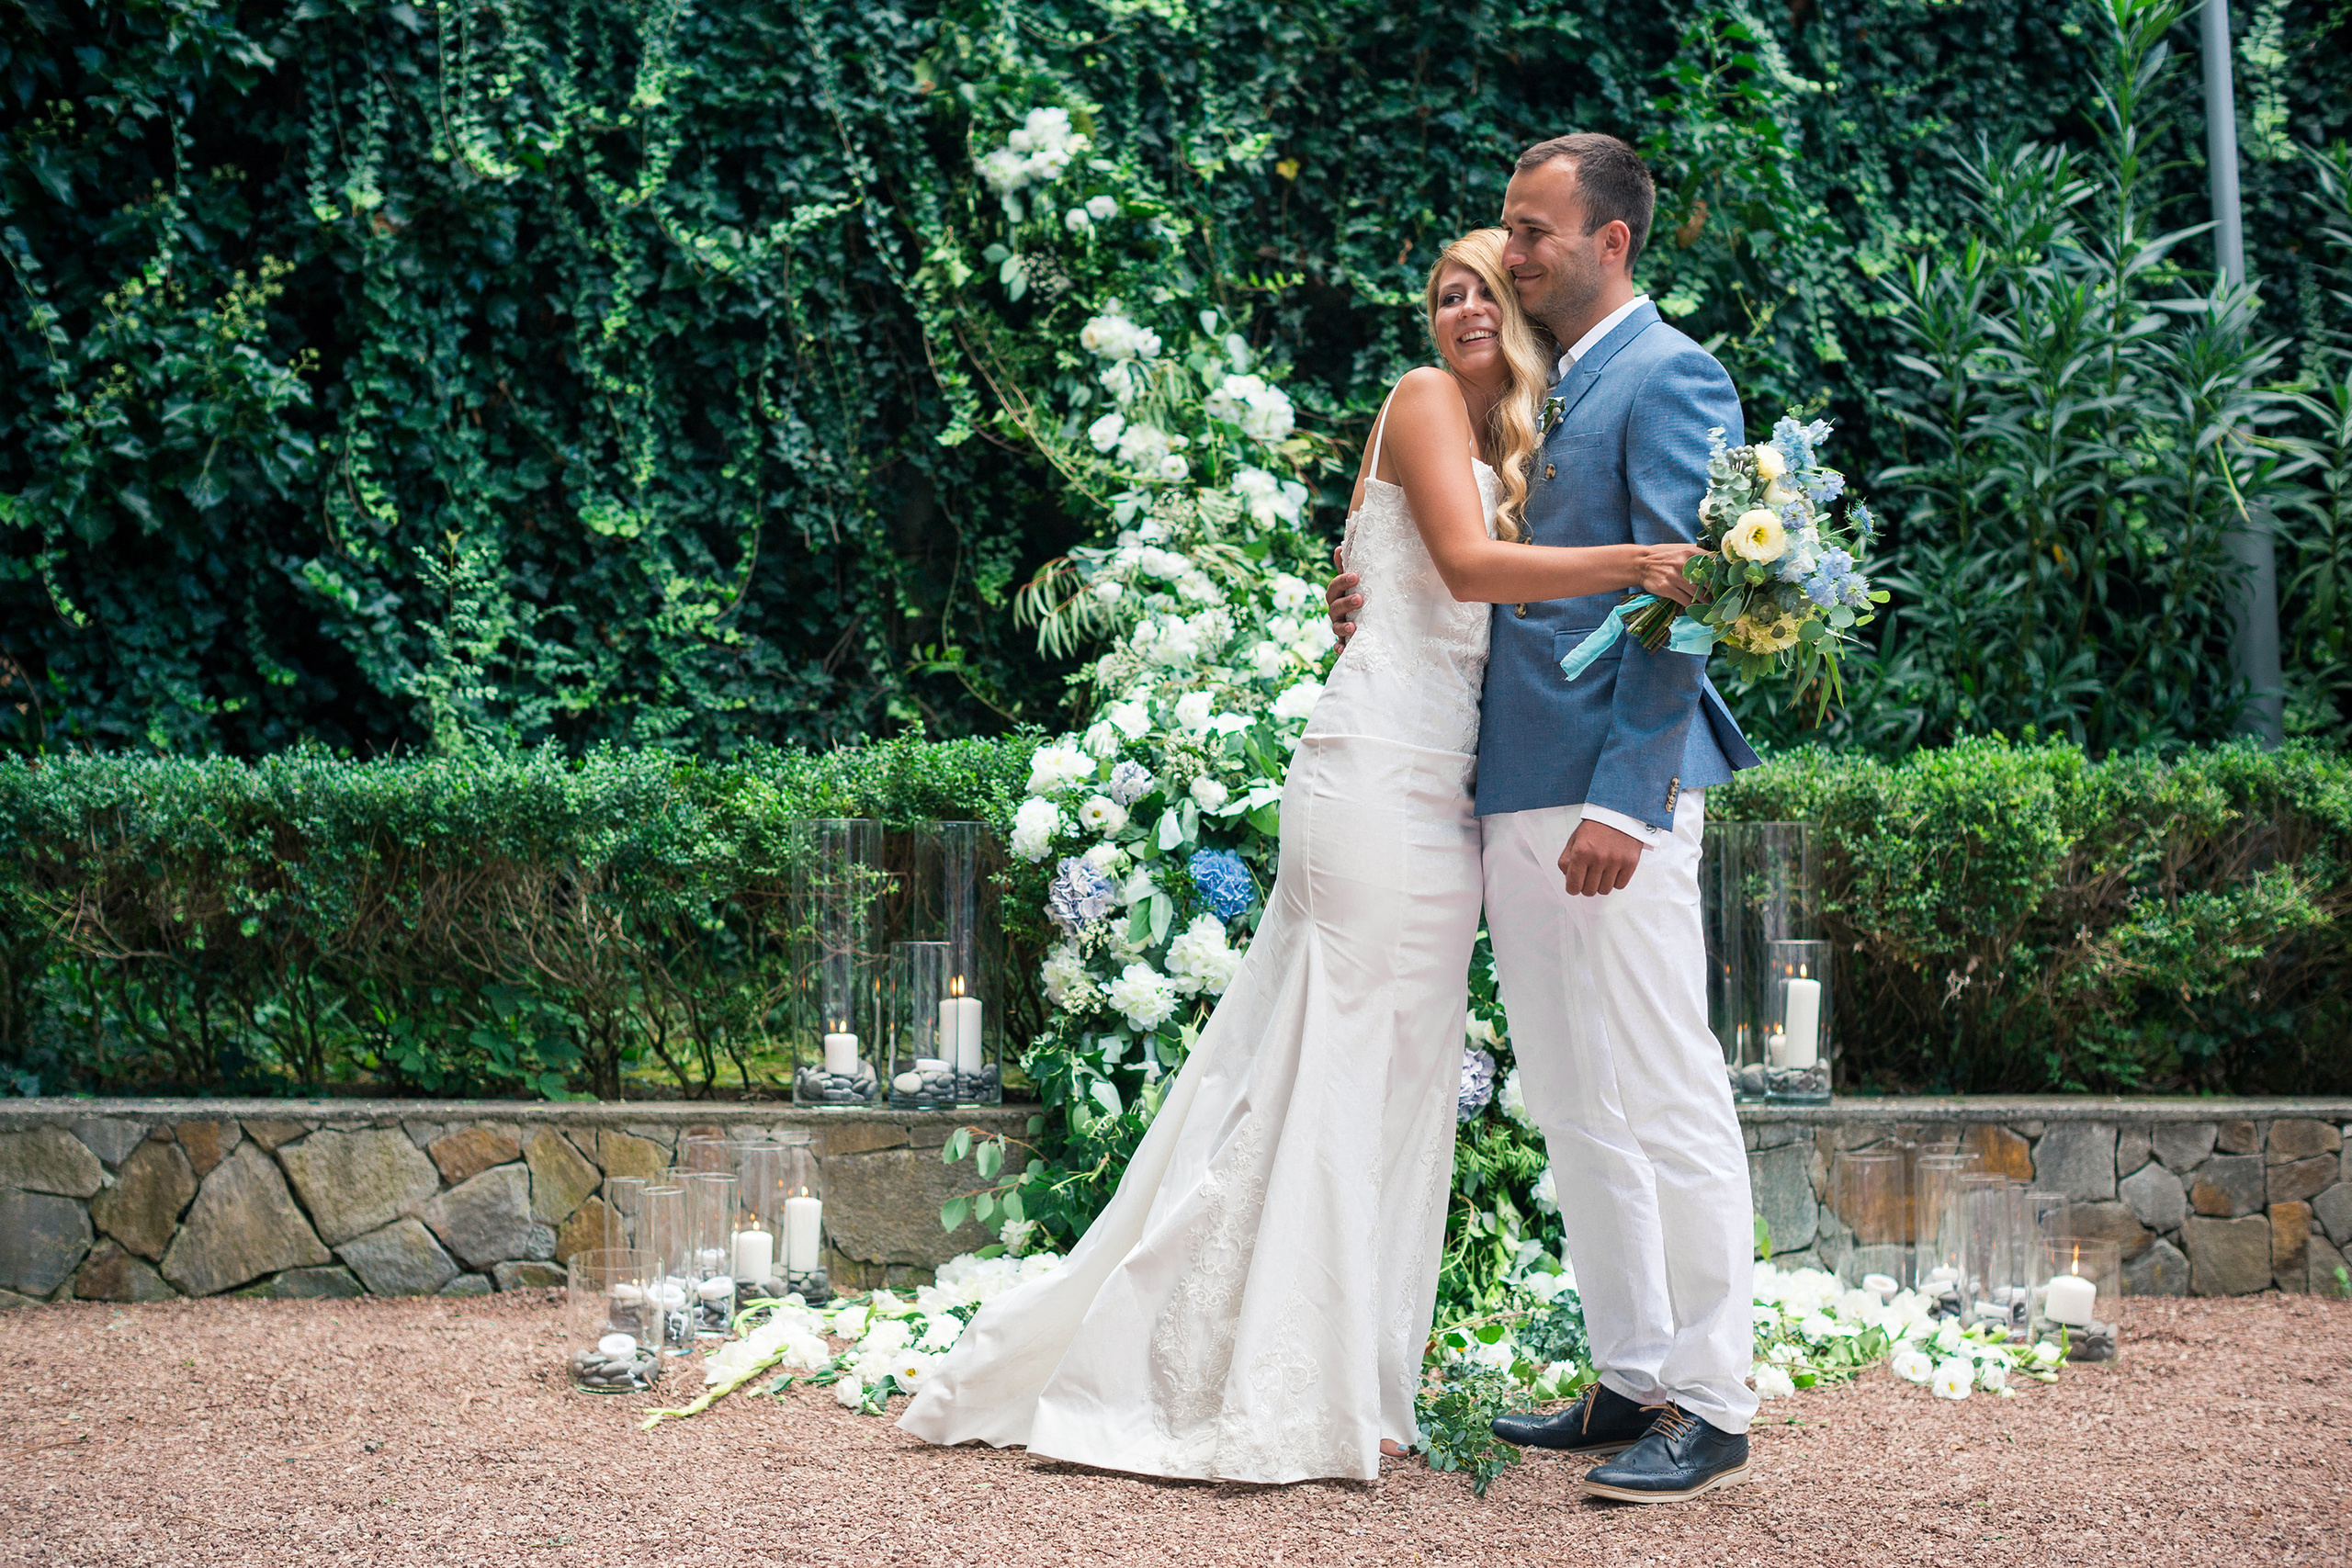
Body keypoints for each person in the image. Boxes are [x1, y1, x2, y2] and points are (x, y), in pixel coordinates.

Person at [895, 227, 1701, 1484]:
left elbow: (1459, 602)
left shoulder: (1518, 444)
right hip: (1374, 771)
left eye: (1484, 291)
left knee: (1404, 1081)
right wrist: (1642, 562)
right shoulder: (1423, 398)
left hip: (1454, 787)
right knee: (1335, 1059)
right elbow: (1466, 569)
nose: (1461, 311)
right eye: (1444, 295)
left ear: (1523, 310)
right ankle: (1254, 1375)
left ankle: (1356, 1378)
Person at [1327, 132, 1762, 1504]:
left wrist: (1632, 797)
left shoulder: (1670, 373)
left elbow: (1684, 597)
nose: (1511, 253)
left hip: (1607, 796)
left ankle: (1715, 1401)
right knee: (1574, 1099)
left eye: (1533, 232)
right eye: (1508, 230)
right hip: (1508, 783)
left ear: (1611, 242)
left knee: (1667, 1087)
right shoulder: (1541, 385)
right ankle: (1631, 1374)